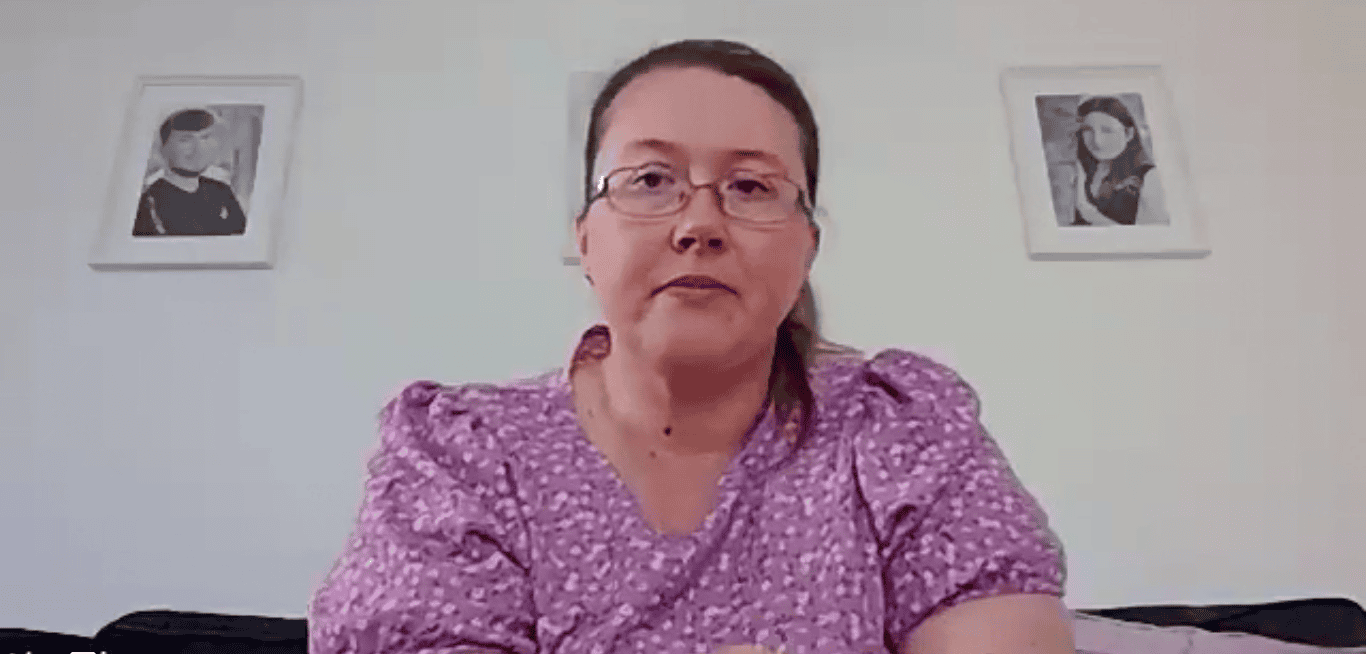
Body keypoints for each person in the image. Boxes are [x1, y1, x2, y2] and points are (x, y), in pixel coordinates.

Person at [307, 39, 1074, 654]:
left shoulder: (903, 432)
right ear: (586, 240)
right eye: (649, 179)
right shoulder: (461, 457)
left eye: (751, 187)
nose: (699, 223)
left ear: (806, 248)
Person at [132, 108, 248, 237]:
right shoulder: (150, 201)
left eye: (204, 137)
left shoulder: (221, 191)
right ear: (163, 149)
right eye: (185, 140)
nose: (198, 148)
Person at [1071, 96, 1168, 226]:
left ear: (1128, 133)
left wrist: (1085, 209)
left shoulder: (1148, 177)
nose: (1097, 140)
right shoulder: (1083, 171)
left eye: (1107, 130)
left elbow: (1151, 236)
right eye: (1088, 130)